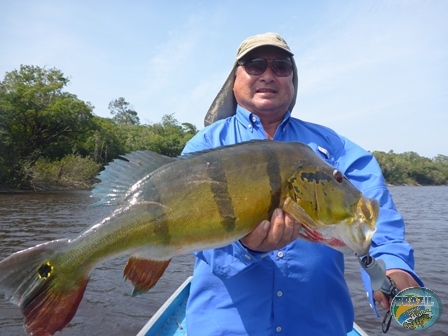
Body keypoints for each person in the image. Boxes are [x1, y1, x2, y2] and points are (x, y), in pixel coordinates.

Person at [181, 32, 422, 335]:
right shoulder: (204, 147)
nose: (268, 75)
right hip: (224, 326)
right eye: (255, 65)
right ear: (234, 78)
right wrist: (244, 248)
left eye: (281, 67)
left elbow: (373, 215)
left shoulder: (332, 147)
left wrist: (393, 267)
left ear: (292, 81)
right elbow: (189, 227)